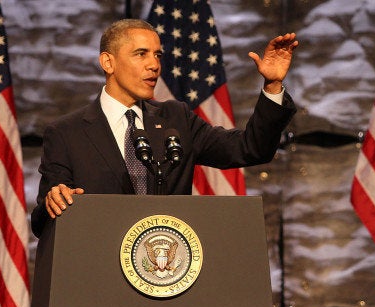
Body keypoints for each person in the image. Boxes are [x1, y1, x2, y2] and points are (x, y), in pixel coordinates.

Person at [31, 19, 298, 237]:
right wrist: (54, 200)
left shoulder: (176, 119)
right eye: (141, 54)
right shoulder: (67, 133)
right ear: (108, 62)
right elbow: (42, 217)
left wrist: (272, 87)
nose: (154, 64)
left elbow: (250, 149)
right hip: (100, 279)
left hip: (167, 273)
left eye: (157, 54)